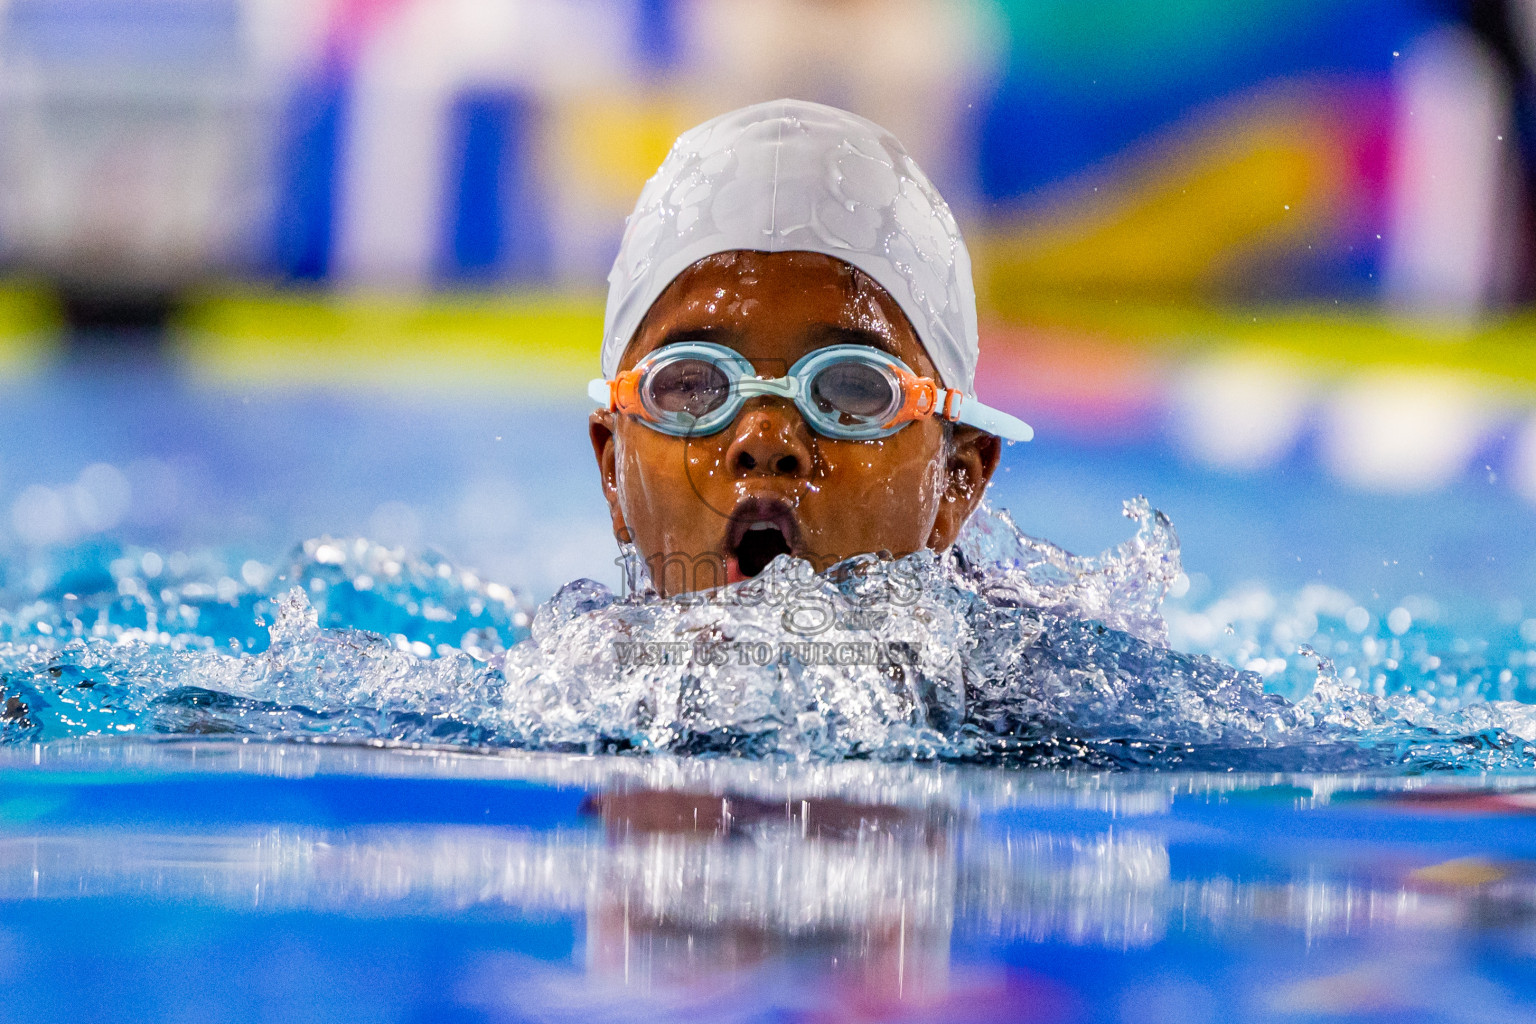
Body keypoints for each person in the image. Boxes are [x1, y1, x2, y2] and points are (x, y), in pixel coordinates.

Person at [587, 99, 1032, 597]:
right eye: (692, 386)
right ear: (614, 470)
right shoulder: (565, 671)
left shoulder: (1049, 670)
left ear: (954, 479)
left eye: (850, 388)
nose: (765, 440)